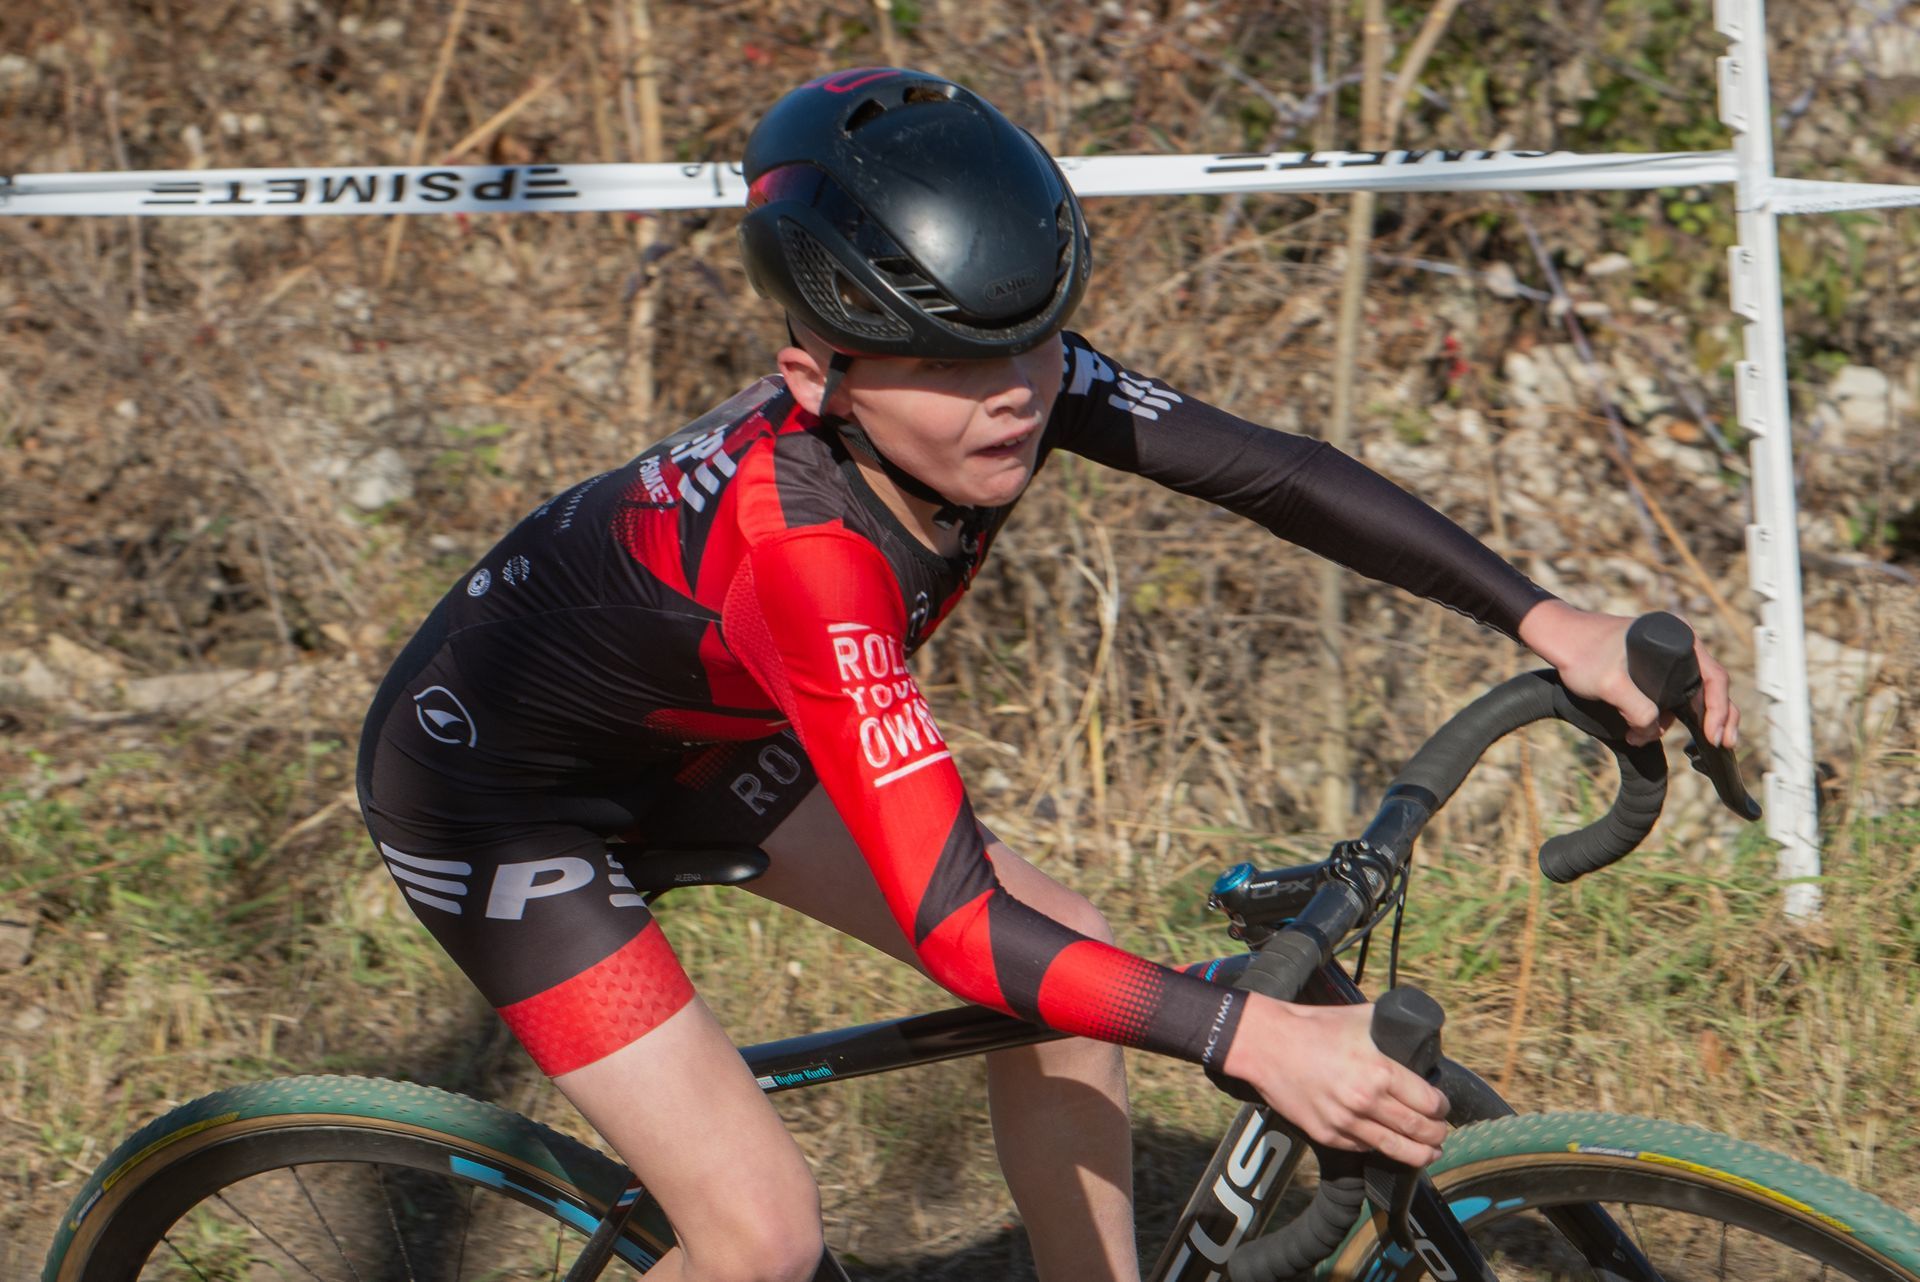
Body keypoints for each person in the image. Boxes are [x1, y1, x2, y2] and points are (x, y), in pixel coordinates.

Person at [356, 66, 1741, 1282]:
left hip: (700, 738)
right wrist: (1244, 1033)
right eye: (953, 366)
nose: (1013, 392)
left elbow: (1276, 472)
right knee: (760, 1238)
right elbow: (956, 919)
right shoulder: (808, 553)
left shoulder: (998, 385)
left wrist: (1546, 613)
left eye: (1027, 341)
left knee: (1067, 981)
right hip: (500, 804)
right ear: (817, 375)